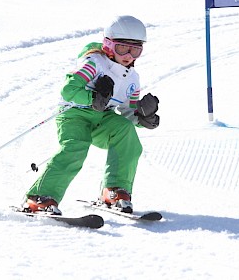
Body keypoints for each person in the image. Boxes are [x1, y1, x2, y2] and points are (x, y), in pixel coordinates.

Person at [23, 15, 160, 215]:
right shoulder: (94, 63)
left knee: (125, 130)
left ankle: (114, 191)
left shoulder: (132, 78)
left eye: (136, 49)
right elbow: (68, 91)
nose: (129, 55)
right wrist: (92, 98)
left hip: (102, 118)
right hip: (74, 115)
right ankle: (39, 198)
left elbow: (127, 113)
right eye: (122, 48)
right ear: (108, 45)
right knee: (76, 148)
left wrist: (143, 118)